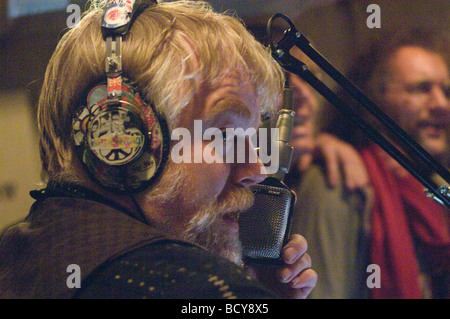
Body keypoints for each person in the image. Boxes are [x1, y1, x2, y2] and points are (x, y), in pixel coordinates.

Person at [0, 0, 317, 299]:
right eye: (225, 134)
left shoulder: (19, 251)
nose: (256, 170)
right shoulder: (189, 286)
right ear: (124, 141)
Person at [290, 28, 450, 299]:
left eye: (446, 91)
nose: (442, 105)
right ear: (374, 99)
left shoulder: (434, 191)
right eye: (421, 89)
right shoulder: (338, 179)